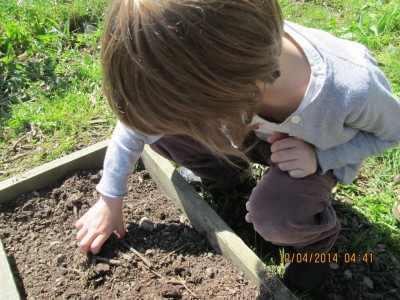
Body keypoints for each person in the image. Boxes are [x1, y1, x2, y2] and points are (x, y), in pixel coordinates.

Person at [75, 0, 400, 291]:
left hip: (307, 154)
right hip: (247, 128)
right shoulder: (221, 76)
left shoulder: (351, 89)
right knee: (168, 130)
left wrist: (321, 157)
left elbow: (390, 133)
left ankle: (315, 245)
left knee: (275, 216)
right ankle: (231, 177)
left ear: (231, 94)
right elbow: (137, 125)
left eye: (198, 118)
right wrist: (110, 199)